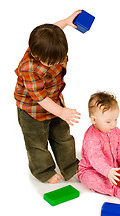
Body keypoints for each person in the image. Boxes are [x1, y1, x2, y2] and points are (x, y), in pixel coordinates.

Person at [14, 11, 81, 184]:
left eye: (59, 59)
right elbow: (41, 98)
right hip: (32, 110)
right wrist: (62, 112)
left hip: (55, 103)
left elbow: (52, 31)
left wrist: (66, 22)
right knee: (37, 143)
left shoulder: (49, 47)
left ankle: (70, 167)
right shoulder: (29, 69)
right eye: (51, 63)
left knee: (63, 136)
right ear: (35, 54)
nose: (56, 64)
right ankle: (44, 171)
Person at [78, 91, 120, 200]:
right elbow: (96, 158)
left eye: (115, 119)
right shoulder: (92, 137)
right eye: (108, 121)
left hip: (112, 167)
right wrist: (107, 171)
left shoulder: (116, 131)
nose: (113, 124)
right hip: (91, 169)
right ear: (94, 120)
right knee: (91, 180)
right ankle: (113, 190)